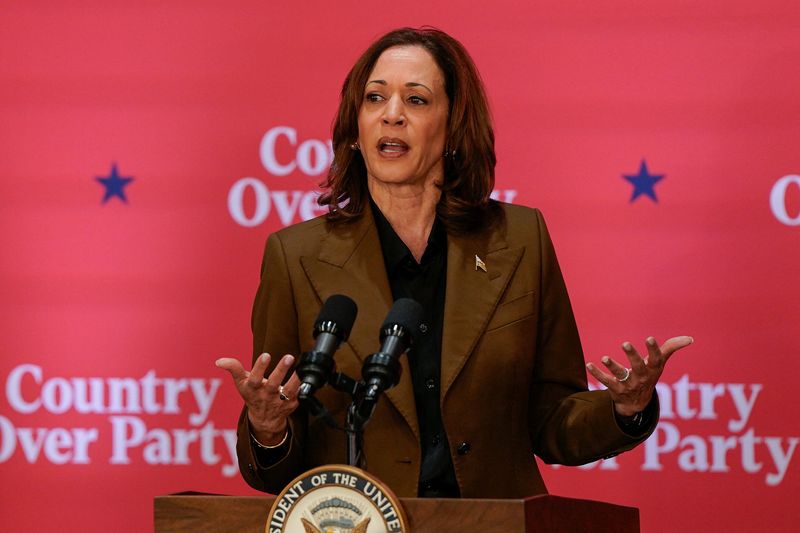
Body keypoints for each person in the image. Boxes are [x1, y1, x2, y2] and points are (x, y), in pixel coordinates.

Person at [216, 27, 692, 499]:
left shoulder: (521, 240)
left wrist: (626, 409)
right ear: (356, 131)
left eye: (417, 100)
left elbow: (552, 421)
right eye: (375, 98)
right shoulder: (295, 256)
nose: (392, 115)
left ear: (453, 128)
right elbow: (274, 466)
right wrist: (267, 426)